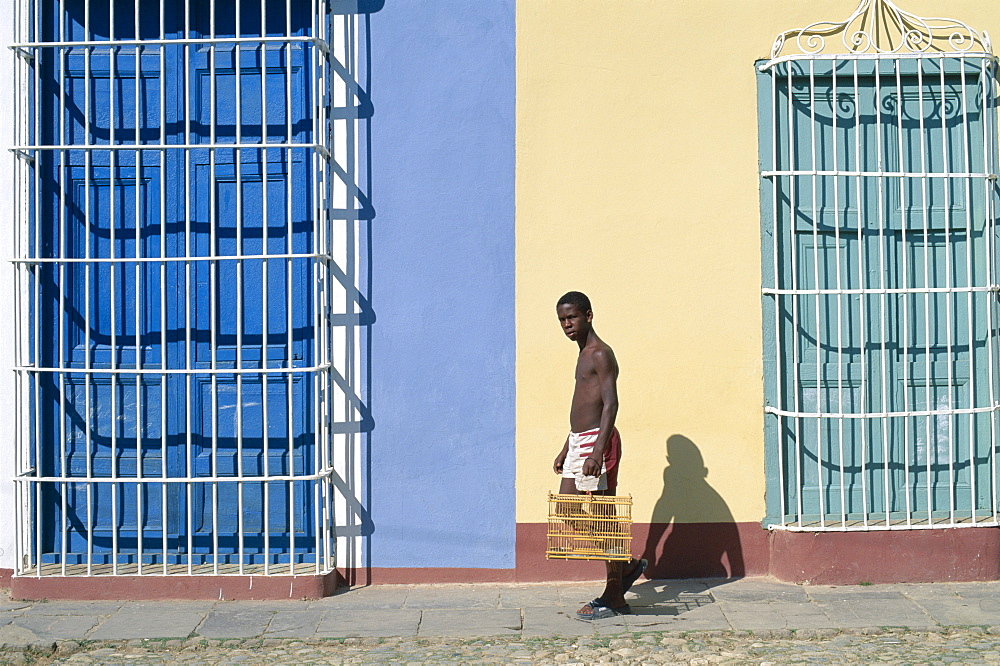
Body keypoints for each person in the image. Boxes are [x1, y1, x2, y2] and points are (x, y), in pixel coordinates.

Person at [552, 291, 647, 620]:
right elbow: (583, 405)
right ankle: (626, 564)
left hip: (598, 443)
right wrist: (568, 446)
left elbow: (610, 404)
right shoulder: (581, 355)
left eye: (572, 317)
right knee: (566, 507)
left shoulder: (601, 353)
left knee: (605, 517)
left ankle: (614, 595)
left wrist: (596, 449)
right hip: (579, 441)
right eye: (563, 320)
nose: (567, 325)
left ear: (588, 315)